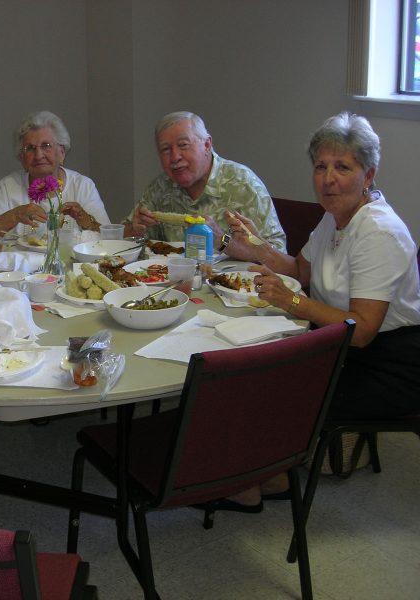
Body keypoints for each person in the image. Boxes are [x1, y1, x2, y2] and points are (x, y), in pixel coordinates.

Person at [216, 112, 420, 511]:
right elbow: (298, 270)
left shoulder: (378, 230)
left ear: (369, 174)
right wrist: (252, 247)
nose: (329, 179)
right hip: (344, 348)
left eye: (343, 167)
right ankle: (267, 474)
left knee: (272, 380)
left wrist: (290, 301)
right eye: (320, 167)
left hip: (389, 363)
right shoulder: (335, 217)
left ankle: (253, 478)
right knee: (256, 368)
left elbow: (362, 331)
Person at [122, 111, 286, 258]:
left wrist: (222, 240)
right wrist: (135, 230)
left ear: (207, 144)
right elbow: (123, 241)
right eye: (165, 149)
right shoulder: (160, 187)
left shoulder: (242, 184)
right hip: (175, 284)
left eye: (183, 145)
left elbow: (278, 253)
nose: (174, 157)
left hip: (233, 286)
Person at [0, 110, 111, 242]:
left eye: (46, 145)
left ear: (62, 153)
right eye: (30, 148)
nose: (38, 155)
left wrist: (87, 221)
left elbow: (110, 238)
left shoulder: (83, 186)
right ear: (22, 158)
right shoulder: (9, 185)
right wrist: (16, 215)